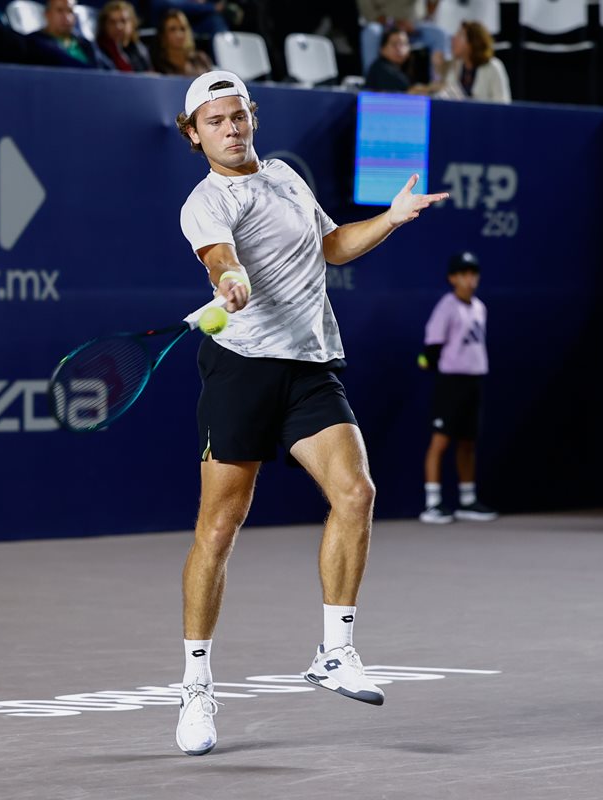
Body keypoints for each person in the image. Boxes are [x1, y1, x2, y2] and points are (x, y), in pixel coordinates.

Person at [171, 69, 447, 755]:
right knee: (219, 528)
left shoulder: (287, 178)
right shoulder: (206, 201)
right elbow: (221, 257)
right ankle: (197, 686)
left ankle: (334, 651)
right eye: (215, 121)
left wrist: (390, 218)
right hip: (241, 370)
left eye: (239, 115)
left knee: (356, 492)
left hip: (310, 364)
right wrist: (231, 279)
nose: (231, 129)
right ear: (194, 134)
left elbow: (331, 246)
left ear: (252, 117)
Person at [418, 250, 498, 524]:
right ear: (453, 278)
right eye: (463, 274)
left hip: (474, 381)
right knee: (440, 442)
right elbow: (432, 346)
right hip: (450, 383)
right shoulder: (446, 307)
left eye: (473, 274)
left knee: (468, 442)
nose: (470, 279)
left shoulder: (480, 308)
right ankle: (432, 504)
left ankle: (467, 501)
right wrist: (429, 360)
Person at [357, 0, 446, 78]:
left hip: (413, 25)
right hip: (383, 25)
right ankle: (370, 80)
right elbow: (367, 10)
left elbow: (432, 4)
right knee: (371, 32)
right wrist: (393, 22)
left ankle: (436, 82)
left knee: (438, 34)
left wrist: (427, 17)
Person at [433, 20, 510, 104]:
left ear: (472, 43)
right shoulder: (455, 65)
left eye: (459, 35)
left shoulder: (493, 67)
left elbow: (503, 104)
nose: (453, 39)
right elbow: (443, 95)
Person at [28, 0, 111, 69]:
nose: (66, 17)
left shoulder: (87, 44)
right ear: (47, 14)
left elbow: (110, 72)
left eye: (70, 11)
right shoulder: (32, 43)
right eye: (60, 10)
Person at [363, 27, 430, 94]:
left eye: (403, 44)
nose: (399, 49)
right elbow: (407, 92)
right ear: (382, 49)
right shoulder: (380, 68)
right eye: (394, 44)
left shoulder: (407, 66)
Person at [152, 9, 212, 76]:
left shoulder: (201, 59)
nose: (179, 35)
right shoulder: (157, 66)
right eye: (172, 29)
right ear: (163, 35)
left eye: (183, 29)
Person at [97, 0, 151, 72]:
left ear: (132, 23)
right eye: (112, 22)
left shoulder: (139, 49)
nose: (118, 27)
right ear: (104, 26)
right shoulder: (98, 52)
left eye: (123, 21)